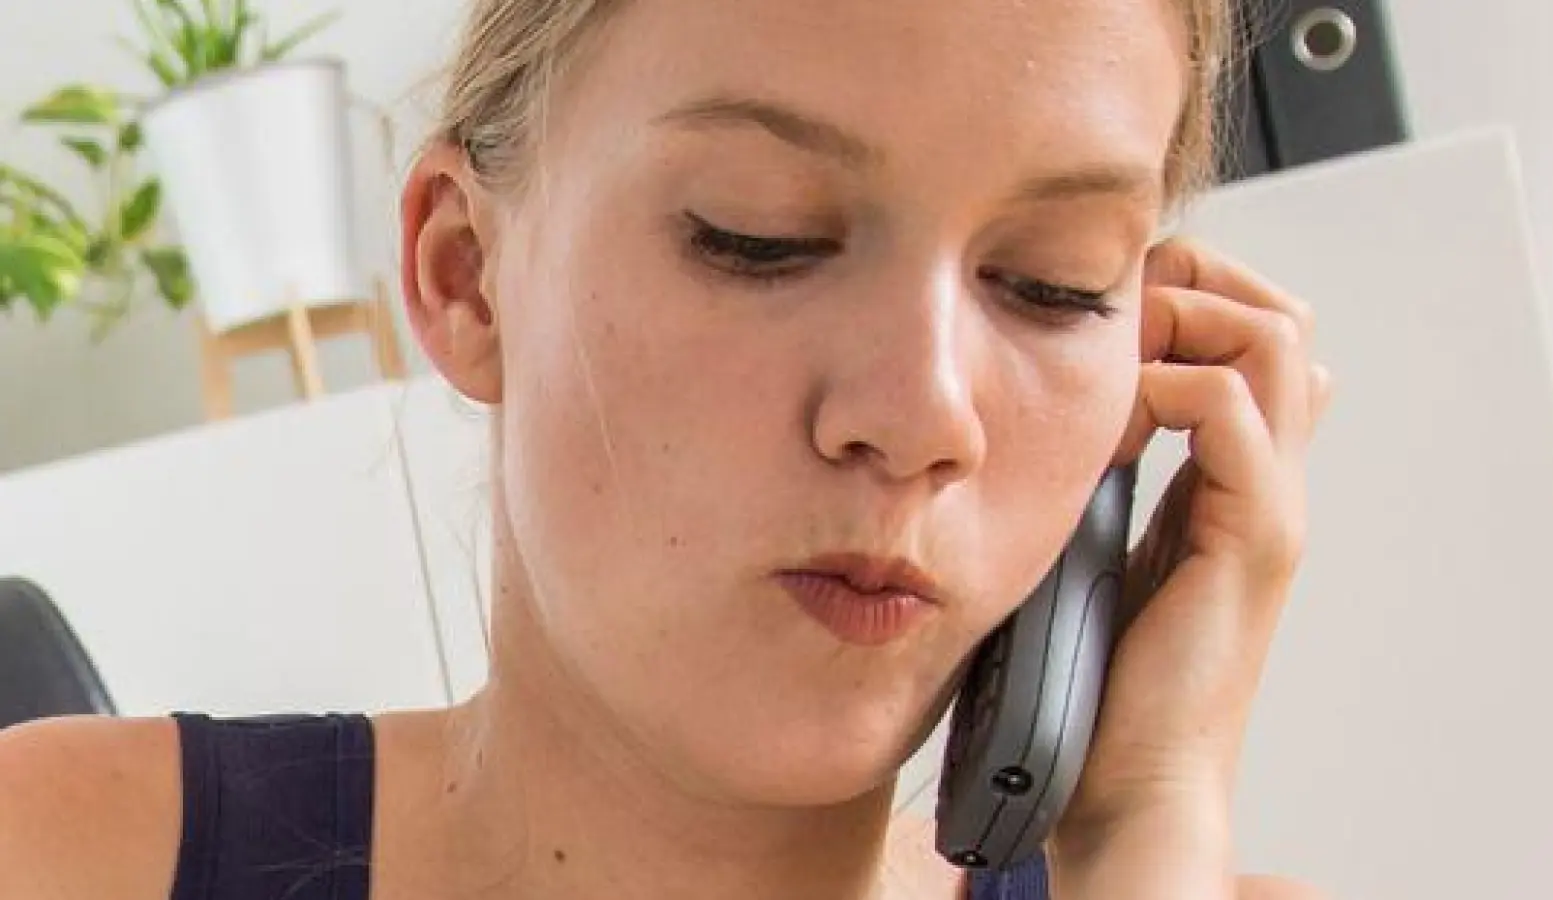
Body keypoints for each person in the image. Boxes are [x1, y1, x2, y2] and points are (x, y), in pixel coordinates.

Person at [0, 0, 1334, 897]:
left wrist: (1150, 820)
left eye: (1053, 283)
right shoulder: (69, 856)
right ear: (468, 277)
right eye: (759, 236)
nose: (925, 413)